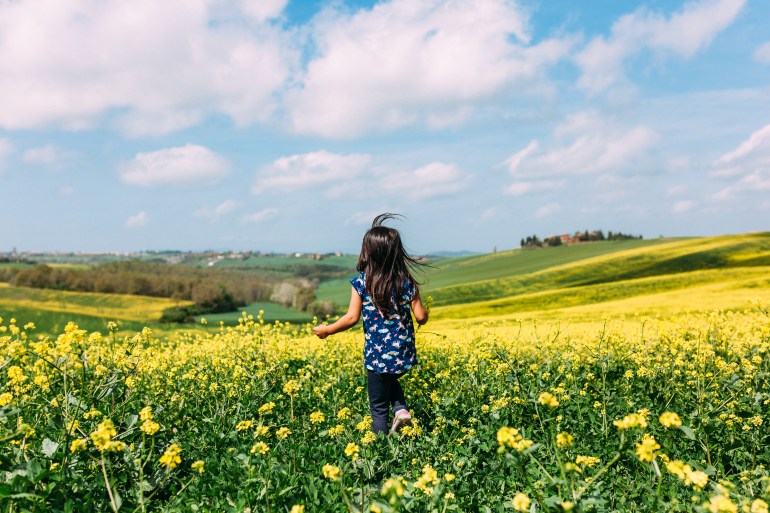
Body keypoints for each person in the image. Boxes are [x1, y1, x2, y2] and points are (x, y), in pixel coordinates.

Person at [313, 213, 429, 435]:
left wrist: (327, 330)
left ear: (369, 253)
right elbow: (421, 316)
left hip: (377, 355)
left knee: (377, 408)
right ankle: (401, 410)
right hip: (403, 353)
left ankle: (380, 449)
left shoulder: (362, 283)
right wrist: (425, 314)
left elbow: (351, 318)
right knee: (390, 379)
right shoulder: (406, 282)